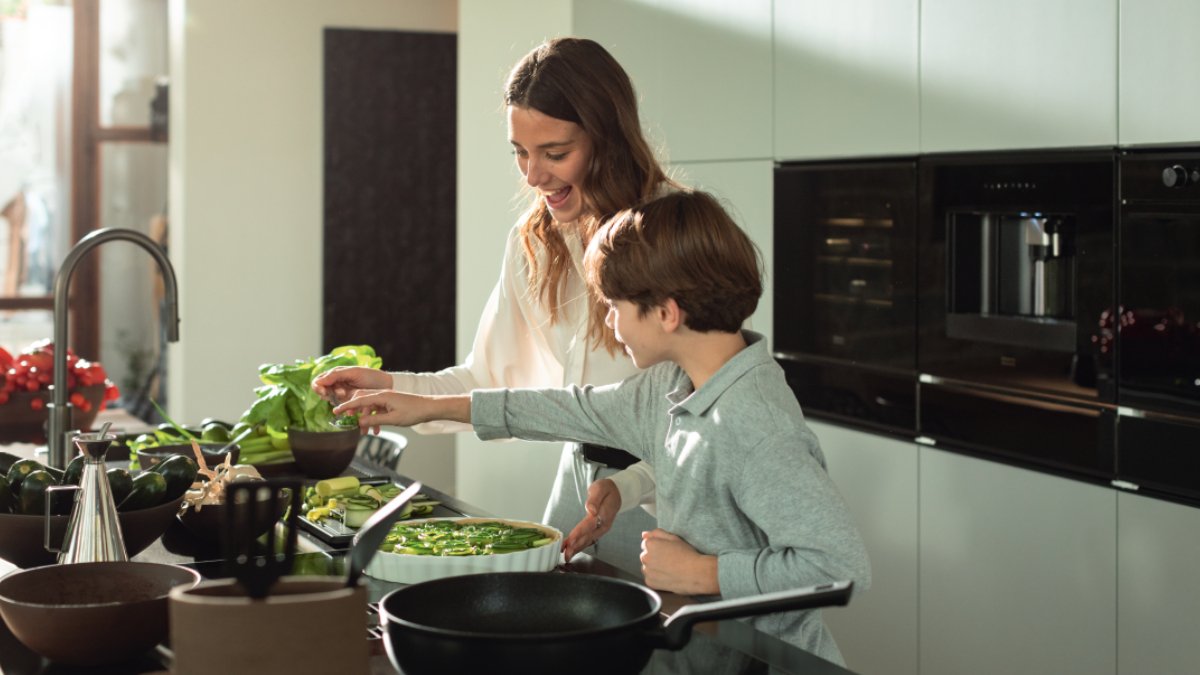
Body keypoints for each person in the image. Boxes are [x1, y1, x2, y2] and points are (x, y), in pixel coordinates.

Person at [331, 190, 872, 664]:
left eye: (614, 307)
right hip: (713, 651)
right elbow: (564, 408)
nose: (609, 323)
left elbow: (839, 566)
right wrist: (426, 405)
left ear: (666, 312)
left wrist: (704, 573)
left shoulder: (756, 424)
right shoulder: (673, 385)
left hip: (769, 660)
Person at [312, 37, 678, 574]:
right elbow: (487, 379)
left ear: (611, 138)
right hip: (580, 484)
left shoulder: (676, 233)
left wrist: (634, 484)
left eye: (555, 153)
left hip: (669, 492)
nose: (533, 175)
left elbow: (711, 412)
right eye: (521, 153)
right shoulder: (535, 242)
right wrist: (392, 387)